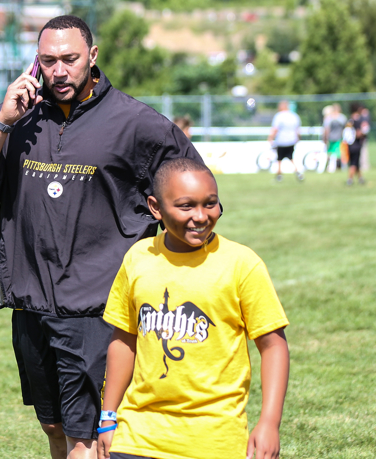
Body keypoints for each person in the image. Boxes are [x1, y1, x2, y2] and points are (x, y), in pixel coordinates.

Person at [0, 15, 203, 459]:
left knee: (87, 434)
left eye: (69, 59)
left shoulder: (136, 123)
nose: (59, 71)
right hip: (29, 299)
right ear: (36, 62)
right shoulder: (19, 116)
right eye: (48, 61)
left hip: (97, 307)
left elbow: (194, 192)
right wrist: (3, 121)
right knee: (53, 425)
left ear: (93, 56)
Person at [97, 158, 289, 459]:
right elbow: (124, 340)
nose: (200, 216)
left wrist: (269, 422)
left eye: (210, 204)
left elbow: (273, 346)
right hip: (137, 435)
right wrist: (108, 416)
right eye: (186, 206)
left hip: (213, 441)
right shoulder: (138, 258)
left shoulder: (241, 264)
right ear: (155, 207)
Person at [267, 100, 303, 182]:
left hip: (281, 141)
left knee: (279, 158)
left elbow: (275, 129)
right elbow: (297, 129)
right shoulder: (294, 116)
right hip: (292, 140)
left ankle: (279, 176)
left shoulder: (279, 116)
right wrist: (298, 138)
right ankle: (298, 172)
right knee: (291, 157)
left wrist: (270, 138)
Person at [344, 103, 367, 186]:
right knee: (354, 162)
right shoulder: (359, 120)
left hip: (350, 144)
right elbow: (362, 131)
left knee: (356, 162)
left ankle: (360, 178)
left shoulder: (349, 120)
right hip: (356, 144)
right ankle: (350, 179)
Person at [322, 103, 347, 173]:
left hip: (334, 138)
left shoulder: (330, 118)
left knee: (333, 153)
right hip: (337, 138)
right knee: (336, 153)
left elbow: (326, 129)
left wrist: (325, 138)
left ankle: (334, 166)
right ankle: (334, 167)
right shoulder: (342, 118)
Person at [359, 106, 371, 171]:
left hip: (362, 138)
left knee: (364, 152)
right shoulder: (361, 117)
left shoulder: (365, 118)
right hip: (359, 139)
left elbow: (365, 129)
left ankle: (365, 166)